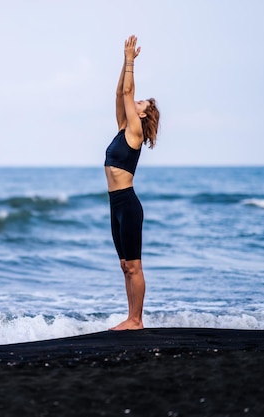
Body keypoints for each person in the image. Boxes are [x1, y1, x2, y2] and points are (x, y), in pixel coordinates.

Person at [104, 35, 160, 330]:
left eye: (141, 102)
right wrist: (123, 65)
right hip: (115, 204)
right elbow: (119, 94)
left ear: (143, 114)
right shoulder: (123, 128)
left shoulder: (135, 131)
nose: (135, 101)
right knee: (125, 265)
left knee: (134, 265)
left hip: (128, 203)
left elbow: (127, 92)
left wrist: (129, 60)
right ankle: (130, 317)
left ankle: (136, 321)